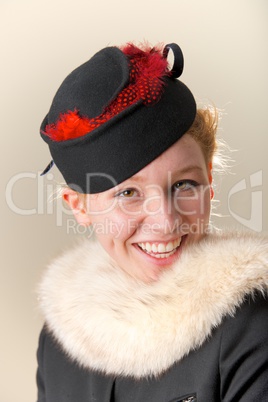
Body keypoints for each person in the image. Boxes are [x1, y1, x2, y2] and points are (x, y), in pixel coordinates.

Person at [37, 41, 268, 402]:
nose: (165, 221)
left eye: (184, 185)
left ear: (210, 181)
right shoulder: (58, 343)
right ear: (78, 206)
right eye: (128, 193)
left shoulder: (254, 326)